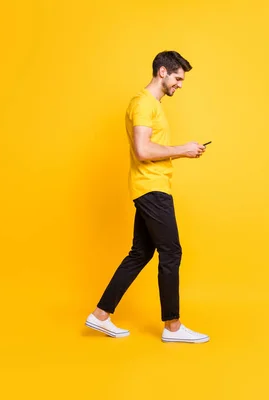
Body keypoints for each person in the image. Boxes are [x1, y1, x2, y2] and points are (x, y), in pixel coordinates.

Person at [85, 50, 209, 343]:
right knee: (171, 252)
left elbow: (149, 148)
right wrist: (183, 150)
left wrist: (183, 151)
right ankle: (173, 328)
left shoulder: (150, 105)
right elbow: (143, 151)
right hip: (152, 187)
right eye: (178, 78)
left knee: (141, 253)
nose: (180, 85)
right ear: (162, 73)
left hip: (148, 186)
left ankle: (100, 315)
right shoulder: (143, 104)